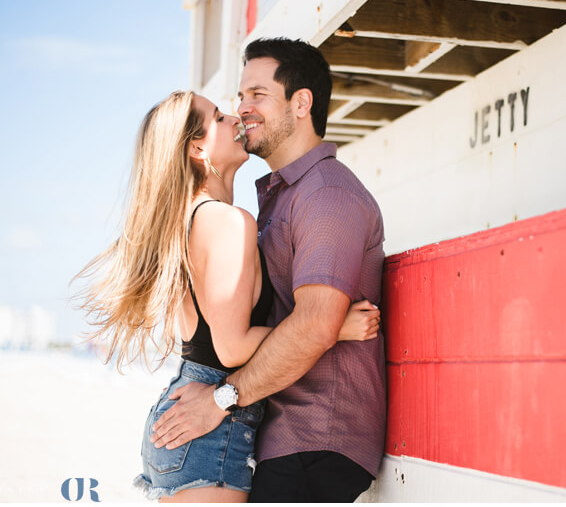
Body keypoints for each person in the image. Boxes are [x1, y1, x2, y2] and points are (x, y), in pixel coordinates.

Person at [75, 90, 381, 502]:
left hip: (191, 418)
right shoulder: (227, 222)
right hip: (207, 429)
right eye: (218, 116)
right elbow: (232, 346)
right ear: (198, 146)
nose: (234, 117)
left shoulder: (192, 220)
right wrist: (330, 326)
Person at [146, 38, 388, 503]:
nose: (241, 109)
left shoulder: (326, 195)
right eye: (238, 98)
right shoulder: (265, 203)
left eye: (257, 94)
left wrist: (219, 400)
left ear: (301, 103)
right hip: (265, 431)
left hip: (314, 437)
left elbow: (314, 323)